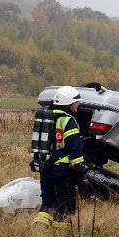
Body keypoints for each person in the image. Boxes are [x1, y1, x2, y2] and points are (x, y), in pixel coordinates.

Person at [33, 86, 86, 227]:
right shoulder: (68, 121)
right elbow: (74, 148)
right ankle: (61, 234)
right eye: (76, 102)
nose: (78, 105)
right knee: (64, 204)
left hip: (45, 168)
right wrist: (79, 168)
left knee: (47, 202)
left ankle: (39, 226)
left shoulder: (46, 117)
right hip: (63, 172)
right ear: (68, 103)